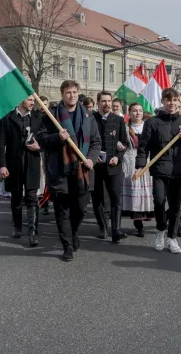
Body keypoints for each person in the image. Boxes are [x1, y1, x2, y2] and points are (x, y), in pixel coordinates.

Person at [37, 80, 101, 262]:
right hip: (59, 169)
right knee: (62, 210)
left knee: (80, 208)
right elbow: (41, 139)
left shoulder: (88, 116)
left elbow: (96, 141)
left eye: (74, 92)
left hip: (83, 170)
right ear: (62, 94)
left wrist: (92, 159)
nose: (71, 95)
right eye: (68, 92)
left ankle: (73, 233)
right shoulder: (51, 116)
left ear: (78, 93)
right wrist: (57, 137)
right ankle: (67, 246)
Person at [136, 88, 181, 254]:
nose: (172, 103)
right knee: (159, 201)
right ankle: (161, 230)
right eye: (168, 100)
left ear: (178, 101)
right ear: (163, 101)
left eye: (175, 100)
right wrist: (140, 166)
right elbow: (143, 146)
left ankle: (172, 237)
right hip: (160, 169)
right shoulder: (152, 122)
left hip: (180, 170)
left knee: (176, 206)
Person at [0, 96, 44, 247]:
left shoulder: (38, 117)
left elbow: (45, 137)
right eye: (29, 100)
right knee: (16, 197)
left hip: (32, 163)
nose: (32, 103)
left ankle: (33, 232)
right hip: (14, 164)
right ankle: (17, 226)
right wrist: (2, 165)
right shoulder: (7, 118)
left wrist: (40, 146)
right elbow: (0, 144)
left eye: (33, 100)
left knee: (32, 197)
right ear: (20, 100)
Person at [92, 91, 129, 243]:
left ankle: (116, 230)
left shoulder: (118, 120)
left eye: (109, 101)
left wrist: (118, 157)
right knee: (97, 199)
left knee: (115, 198)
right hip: (96, 167)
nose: (107, 104)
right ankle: (102, 227)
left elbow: (124, 143)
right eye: (103, 101)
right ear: (98, 102)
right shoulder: (91, 119)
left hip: (114, 166)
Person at [120, 103, 154, 237]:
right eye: (134, 110)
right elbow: (119, 141)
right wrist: (119, 145)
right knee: (135, 193)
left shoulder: (148, 126)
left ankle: (148, 216)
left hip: (147, 162)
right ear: (129, 113)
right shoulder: (125, 128)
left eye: (140, 110)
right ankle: (139, 226)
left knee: (149, 193)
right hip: (130, 163)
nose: (138, 113)